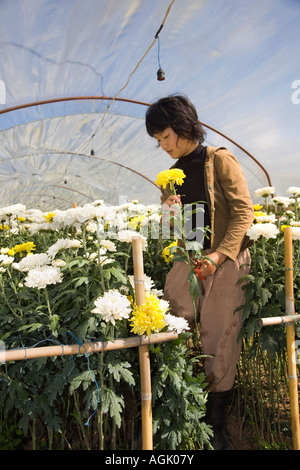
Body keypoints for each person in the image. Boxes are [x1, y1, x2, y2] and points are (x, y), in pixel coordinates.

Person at [145, 95, 254, 450]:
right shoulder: (169, 178)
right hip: (187, 259)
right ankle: (177, 410)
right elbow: (173, 230)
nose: (162, 146)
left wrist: (219, 256)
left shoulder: (218, 160)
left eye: (164, 137)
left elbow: (243, 213)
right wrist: (170, 211)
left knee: (219, 336)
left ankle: (216, 427)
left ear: (183, 127)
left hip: (225, 260)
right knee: (171, 322)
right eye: (157, 140)